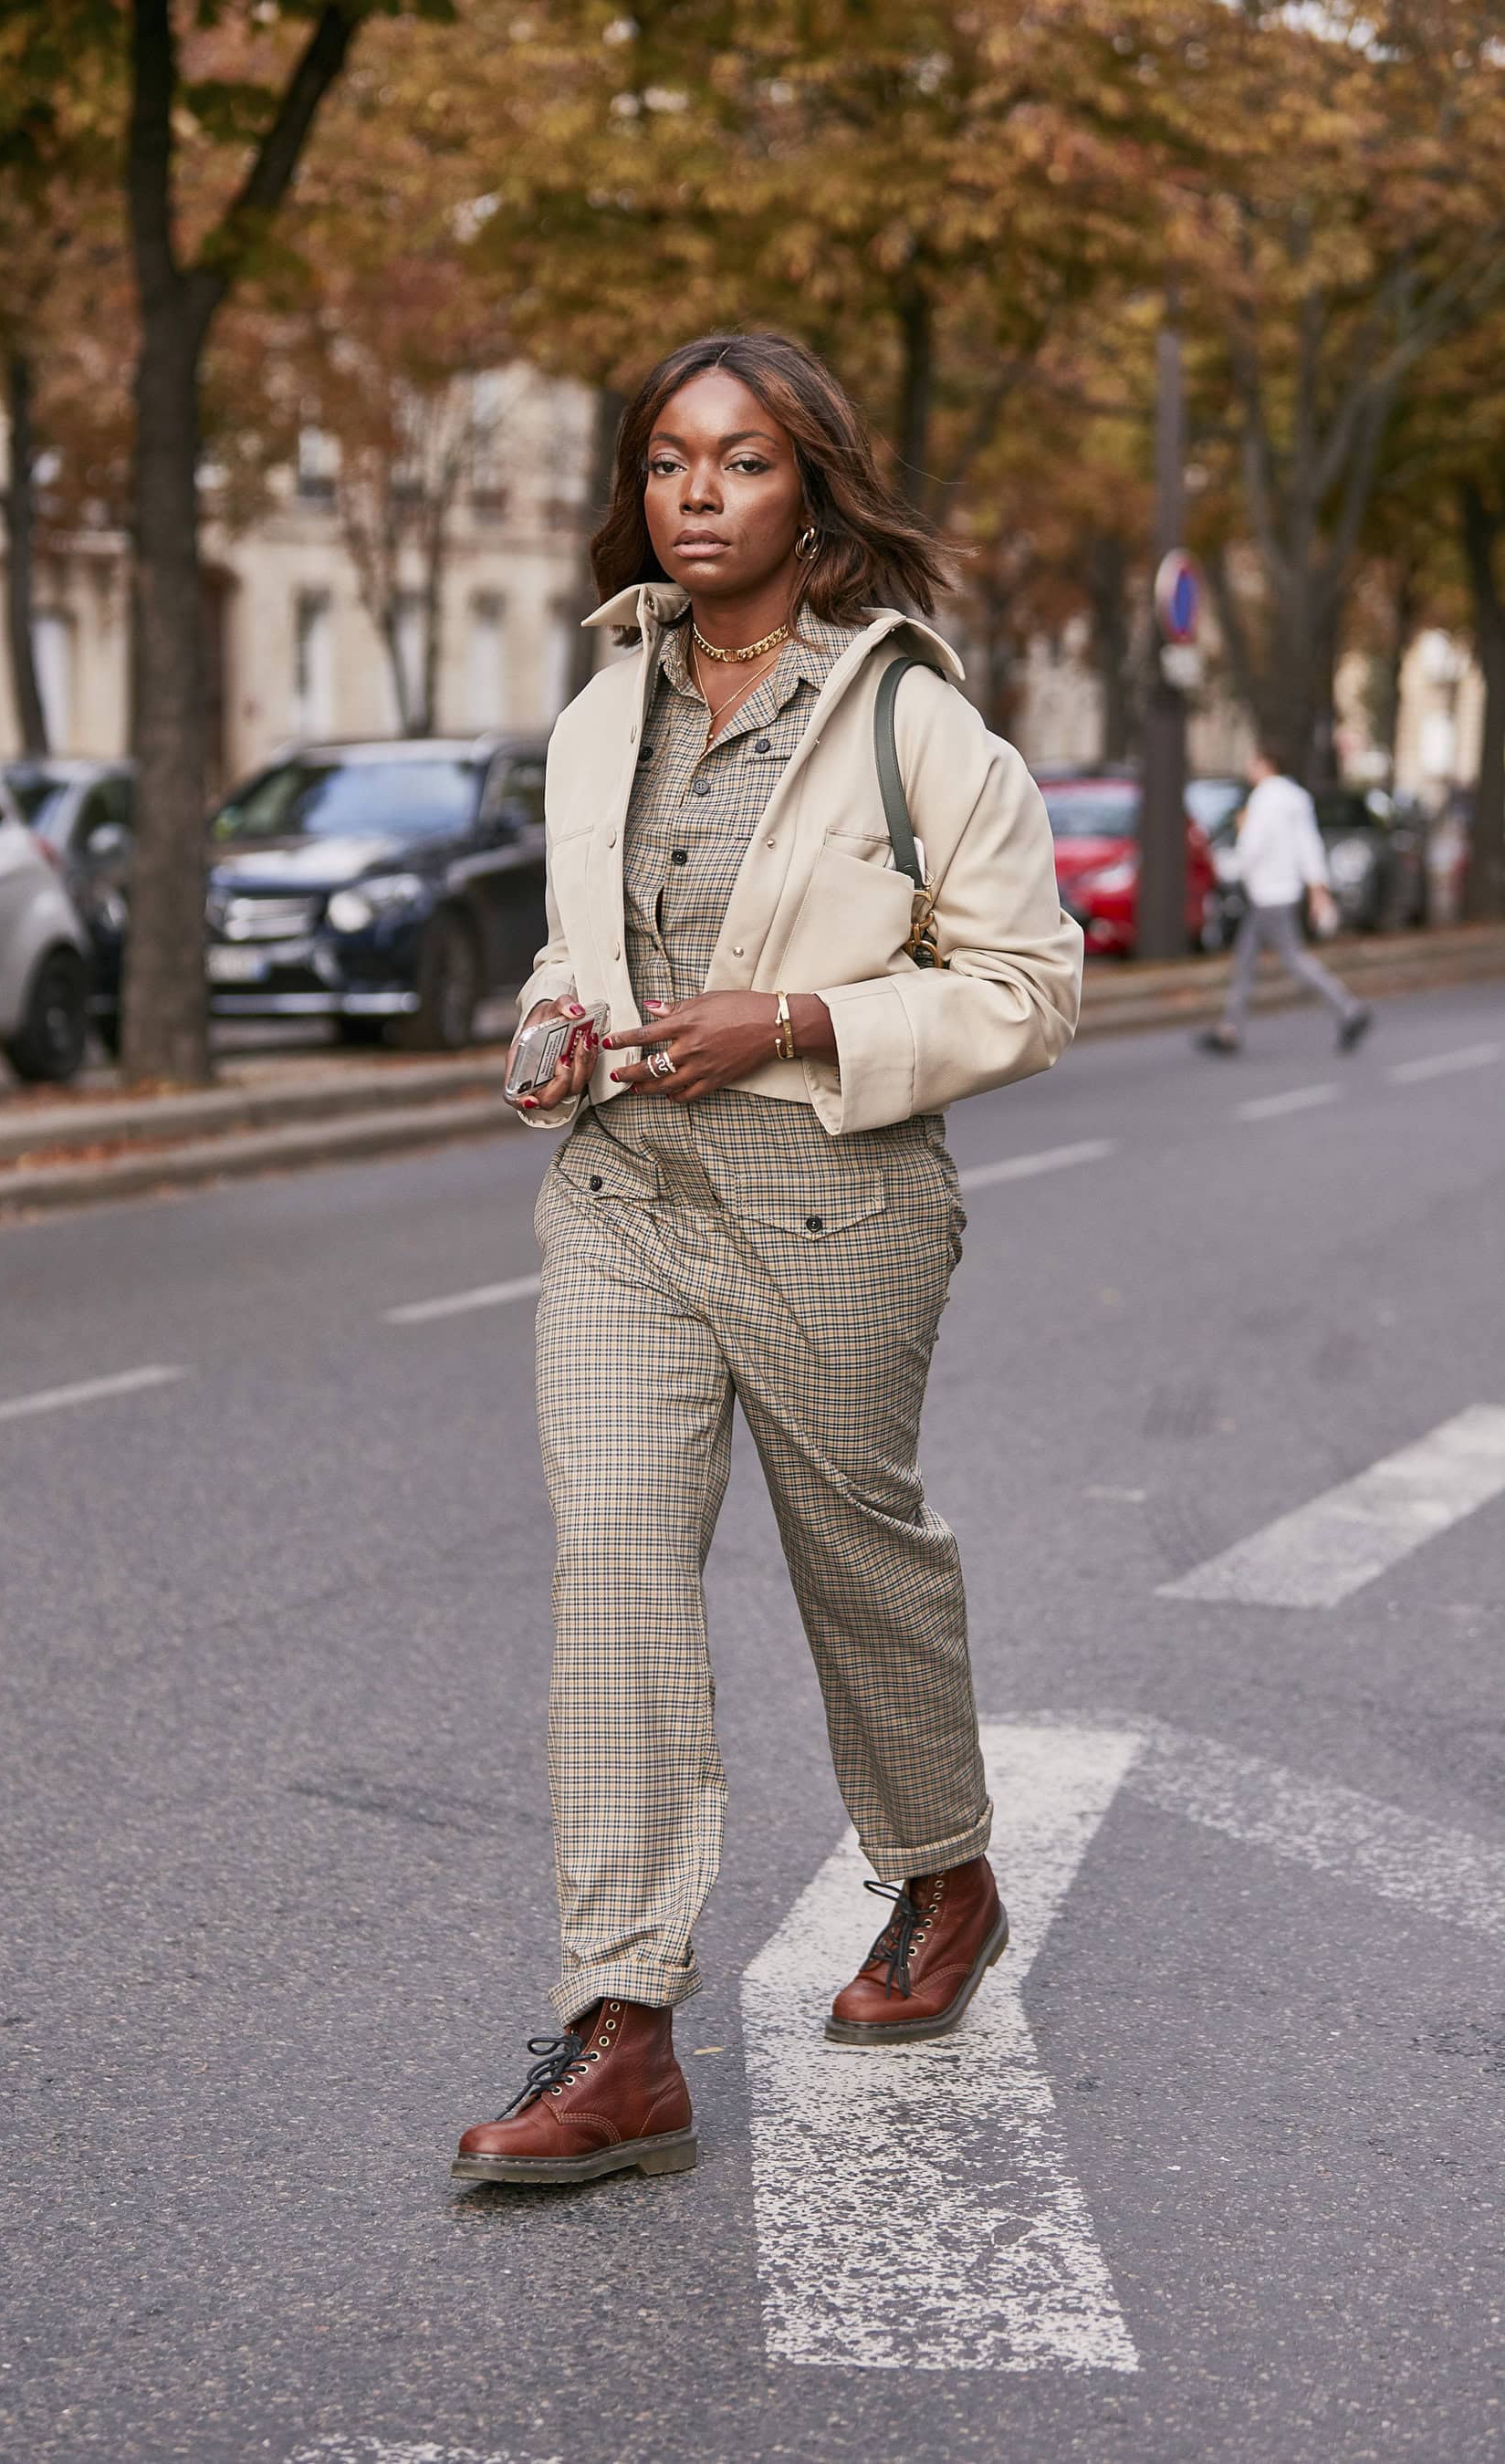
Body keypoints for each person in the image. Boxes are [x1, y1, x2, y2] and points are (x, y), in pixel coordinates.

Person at [452, 331, 1082, 2187]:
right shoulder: (598, 713)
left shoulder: (912, 724)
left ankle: (942, 1875)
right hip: (623, 1202)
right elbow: (585, 947)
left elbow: (1032, 990)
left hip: (835, 1208)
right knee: (621, 1577)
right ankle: (624, 2029)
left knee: (856, 1562)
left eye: (740, 463)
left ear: (815, 491)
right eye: (669, 462)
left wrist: (795, 1019)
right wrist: (554, 1032)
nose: (699, 496)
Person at [1197, 749, 1372, 1056]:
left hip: (1266, 893)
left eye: (1252, 761)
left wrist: (1237, 844)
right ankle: (1229, 1029)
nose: (1249, 768)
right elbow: (1309, 845)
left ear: (1266, 763)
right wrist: (1318, 889)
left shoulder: (1263, 799)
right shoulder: (1297, 798)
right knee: (1246, 961)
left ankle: (1348, 1008)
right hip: (1286, 891)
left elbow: (1253, 847)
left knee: (1292, 959)